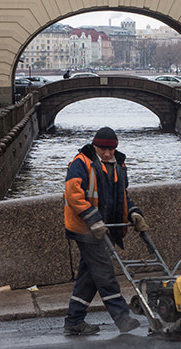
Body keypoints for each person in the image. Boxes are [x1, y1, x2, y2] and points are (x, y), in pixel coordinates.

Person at [63, 127, 149, 336]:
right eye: (103, 148)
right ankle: (122, 318)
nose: (108, 153)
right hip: (85, 229)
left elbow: (121, 196)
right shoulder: (81, 163)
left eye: (111, 149)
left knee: (89, 277)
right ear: (95, 146)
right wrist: (93, 219)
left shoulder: (118, 165)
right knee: (104, 274)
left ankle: (74, 321)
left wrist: (134, 213)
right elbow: (73, 195)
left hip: (105, 230)